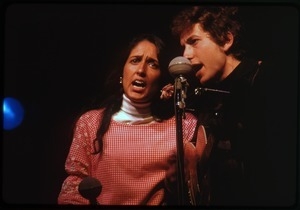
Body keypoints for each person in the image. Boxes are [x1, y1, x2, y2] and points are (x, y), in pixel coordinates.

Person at [57, 33, 201, 205]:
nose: (141, 70)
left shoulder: (183, 125)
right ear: (122, 72)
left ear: (161, 76)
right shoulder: (90, 122)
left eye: (152, 63)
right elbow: (75, 185)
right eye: (135, 60)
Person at [167, 6, 279, 206]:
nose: (186, 55)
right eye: (184, 46)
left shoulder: (266, 81)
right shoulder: (206, 98)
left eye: (194, 42)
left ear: (227, 40)